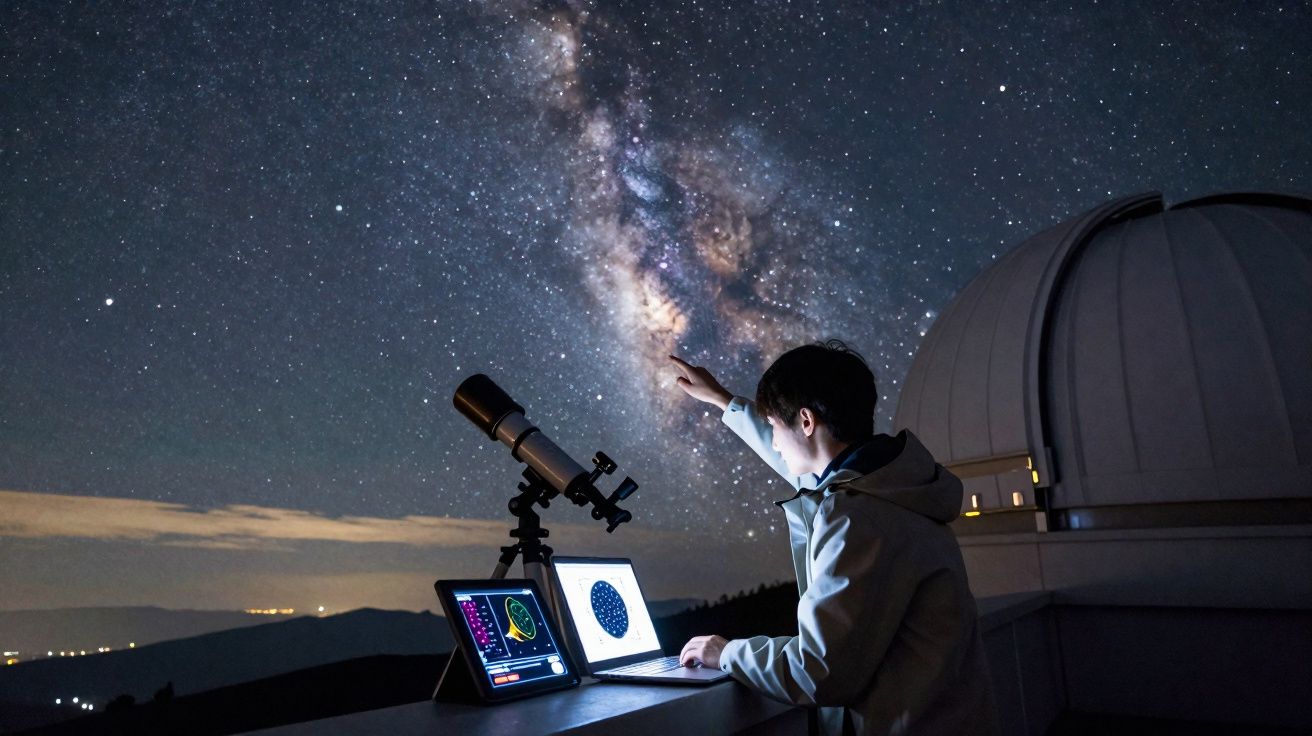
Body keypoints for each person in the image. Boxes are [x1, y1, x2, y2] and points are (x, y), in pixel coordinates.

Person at [669, 341, 998, 736]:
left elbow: (817, 671)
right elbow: (806, 472)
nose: (774, 440)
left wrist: (726, 653)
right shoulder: (891, 485)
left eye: (775, 426)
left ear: (806, 422)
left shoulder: (854, 515)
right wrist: (724, 402)